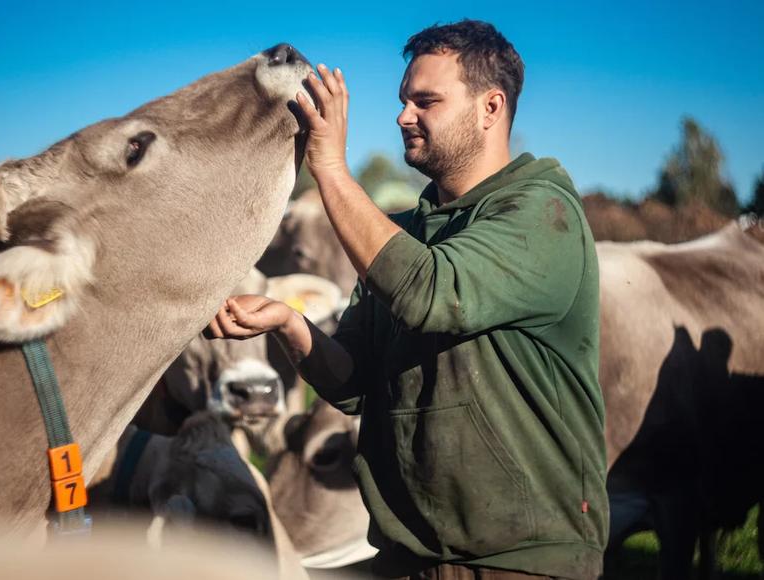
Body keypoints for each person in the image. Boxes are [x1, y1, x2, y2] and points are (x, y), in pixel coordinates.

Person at [207, 19, 608, 580]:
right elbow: (351, 384)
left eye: (426, 101)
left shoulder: (543, 215)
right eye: (403, 100)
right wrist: (289, 323)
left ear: (490, 108)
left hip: (520, 562)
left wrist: (328, 168)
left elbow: (430, 293)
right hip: (405, 559)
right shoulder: (405, 234)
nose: (403, 116)